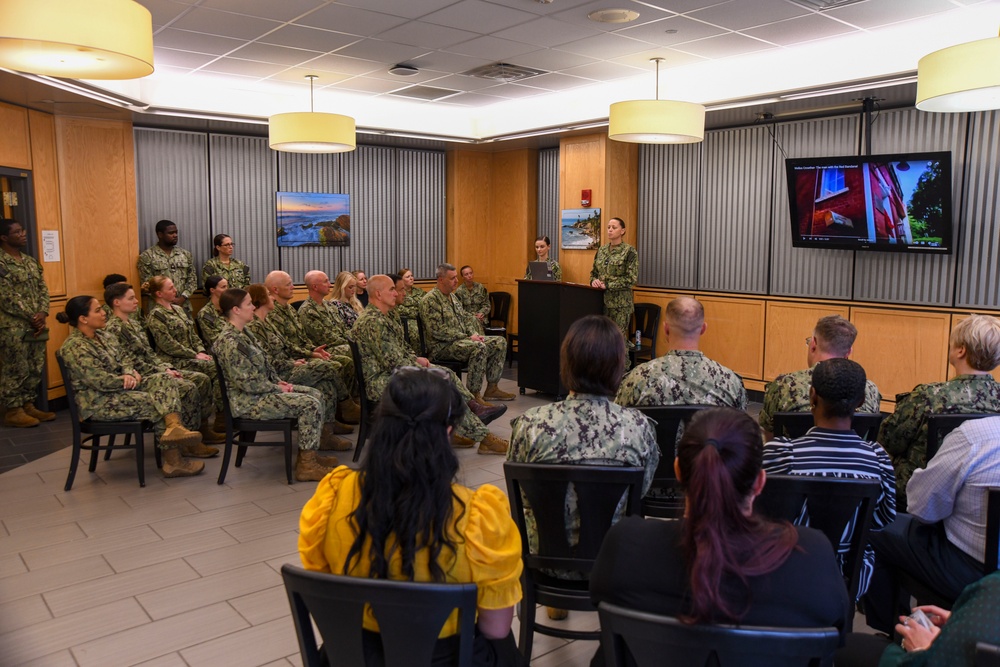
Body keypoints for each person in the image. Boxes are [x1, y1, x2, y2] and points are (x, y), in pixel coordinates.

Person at [298, 369, 526, 666]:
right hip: (446, 658)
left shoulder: (331, 497)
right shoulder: (479, 517)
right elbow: (495, 628)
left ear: (382, 425)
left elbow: (325, 590)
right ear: (447, 432)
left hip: (355, 656)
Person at [590, 407, 851, 664]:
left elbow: (599, 599)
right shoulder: (812, 556)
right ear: (760, 482)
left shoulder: (625, 545)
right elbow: (839, 629)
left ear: (679, 471)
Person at [508, 314, 659, 621]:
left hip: (544, 559)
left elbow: (525, 498)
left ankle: (557, 598)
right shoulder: (638, 427)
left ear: (567, 362)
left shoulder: (530, 425)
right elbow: (640, 493)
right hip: (613, 561)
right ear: (618, 366)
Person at [762, 358, 896, 599]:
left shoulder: (781, 453)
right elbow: (881, 520)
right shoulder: (877, 458)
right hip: (846, 577)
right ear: (861, 403)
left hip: (786, 569)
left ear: (812, 397)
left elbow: (760, 511)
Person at [864, 415, 1000, 635]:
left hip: (970, 571)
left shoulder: (975, 436)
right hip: (984, 571)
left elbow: (922, 509)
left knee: (872, 526)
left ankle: (897, 632)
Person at [352, 275, 509, 455]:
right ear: (378, 294)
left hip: (392, 373)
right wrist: (424, 368)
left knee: (446, 373)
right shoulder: (374, 321)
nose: (396, 293)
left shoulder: (385, 316)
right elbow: (395, 363)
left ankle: (468, 416)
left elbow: (403, 349)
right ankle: (484, 437)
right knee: (440, 383)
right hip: (381, 381)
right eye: (392, 290)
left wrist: (418, 360)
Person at [56, 295, 206, 477]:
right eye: (98, 310)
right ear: (83, 319)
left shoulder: (104, 336)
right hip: (99, 402)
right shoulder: (75, 347)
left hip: (123, 390)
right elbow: (99, 381)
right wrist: (126, 379)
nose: (104, 313)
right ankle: (174, 461)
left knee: (164, 380)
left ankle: (175, 427)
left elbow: (124, 358)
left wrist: (129, 371)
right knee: (159, 403)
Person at [213, 288, 338, 481]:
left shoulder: (244, 332)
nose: (253, 307)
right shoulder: (231, 341)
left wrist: (278, 381)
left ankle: (310, 455)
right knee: (309, 404)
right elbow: (247, 383)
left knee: (316, 394)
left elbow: (263, 364)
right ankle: (306, 466)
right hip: (249, 402)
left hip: (262, 391)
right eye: (248, 304)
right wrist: (276, 388)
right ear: (236, 310)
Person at [878, 314, 1000, 505]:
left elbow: (888, 441)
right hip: (981, 500)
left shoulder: (927, 396)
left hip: (916, 498)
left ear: (960, 350)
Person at [104, 282, 223, 450]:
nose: (137, 301)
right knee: (188, 387)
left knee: (202, 380)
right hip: (140, 376)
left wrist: (166, 368)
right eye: (131, 298)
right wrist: (163, 370)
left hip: (156, 369)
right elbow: (130, 361)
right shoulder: (114, 328)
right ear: (117, 302)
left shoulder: (133, 323)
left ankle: (200, 430)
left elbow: (149, 354)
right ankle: (187, 443)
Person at [245, 283, 358, 448]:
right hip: (279, 375)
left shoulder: (266, 322)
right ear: (261, 300)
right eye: (268, 295)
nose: (272, 298)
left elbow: (288, 346)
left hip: (288, 365)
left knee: (325, 383)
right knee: (327, 367)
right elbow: (266, 361)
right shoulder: (254, 327)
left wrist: (310, 353)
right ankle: (346, 404)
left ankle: (327, 432)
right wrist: (292, 362)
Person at [759, 315, 882, 442]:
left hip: (794, 459)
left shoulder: (782, 385)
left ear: (813, 344)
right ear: (848, 352)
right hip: (855, 460)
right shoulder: (870, 390)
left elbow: (769, 437)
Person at [838, 572, 1000, 667]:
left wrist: (922, 650)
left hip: (930, 659)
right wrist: (961, 621)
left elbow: (926, 517)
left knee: (845, 647)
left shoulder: (991, 586)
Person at [615, 297, 747, 410]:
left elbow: (622, 424)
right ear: (703, 329)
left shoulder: (638, 379)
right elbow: (741, 432)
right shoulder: (730, 383)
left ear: (666, 329)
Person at [420, 263, 514, 403]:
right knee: (479, 347)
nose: (457, 281)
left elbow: (466, 319)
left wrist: (475, 334)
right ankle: (474, 395)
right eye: (452, 278)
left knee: (499, 342)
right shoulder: (430, 300)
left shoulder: (453, 298)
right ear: (441, 279)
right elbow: (437, 331)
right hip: (442, 347)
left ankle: (492, 388)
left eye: (456, 277)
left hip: (460, 341)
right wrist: (468, 337)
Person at [144, 275, 223, 424]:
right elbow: (167, 345)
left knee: (218, 364)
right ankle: (214, 420)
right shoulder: (156, 315)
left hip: (191, 357)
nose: (175, 290)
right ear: (159, 294)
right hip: (174, 360)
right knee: (214, 368)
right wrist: (194, 354)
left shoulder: (178, 310)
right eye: (170, 288)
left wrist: (202, 351)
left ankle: (217, 416)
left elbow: (192, 335)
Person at [263, 270, 355, 395]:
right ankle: (346, 402)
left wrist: (313, 350)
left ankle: (351, 399)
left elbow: (303, 338)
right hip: (292, 359)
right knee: (338, 363)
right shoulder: (272, 314)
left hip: (306, 352)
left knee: (344, 363)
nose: (293, 287)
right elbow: (286, 346)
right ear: (276, 289)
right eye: (288, 284)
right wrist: (311, 353)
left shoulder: (290, 308)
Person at [0, 218, 53, 428]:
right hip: (13, 326)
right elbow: (6, 296)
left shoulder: (30, 261)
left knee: (34, 366)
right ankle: (13, 409)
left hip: (36, 325)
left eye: (22, 230)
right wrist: (32, 316)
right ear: (4, 237)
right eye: (17, 232)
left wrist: (42, 312)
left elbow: (43, 289)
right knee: (15, 367)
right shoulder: (2, 263)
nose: (23, 234)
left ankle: (27, 404)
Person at [589, 217, 638, 352]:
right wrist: (594, 281)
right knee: (600, 340)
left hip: (620, 305)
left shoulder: (629, 252)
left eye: (614, 227)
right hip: (600, 303)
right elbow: (593, 273)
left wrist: (608, 285)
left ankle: (621, 371)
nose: (610, 230)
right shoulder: (602, 251)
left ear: (622, 231)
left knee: (617, 342)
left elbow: (631, 279)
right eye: (608, 227)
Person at [138, 220, 197, 314]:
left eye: (176, 232)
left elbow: (192, 280)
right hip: (159, 309)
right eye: (171, 233)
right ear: (160, 234)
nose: (175, 235)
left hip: (183, 306)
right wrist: (166, 299)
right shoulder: (147, 256)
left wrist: (182, 298)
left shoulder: (185, 254)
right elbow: (147, 284)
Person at [298, 270, 351, 355]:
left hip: (341, 344)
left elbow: (343, 328)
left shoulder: (329, 305)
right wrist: (351, 343)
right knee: (357, 350)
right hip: (324, 350)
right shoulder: (307, 311)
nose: (330, 285)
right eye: (325, 282)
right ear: (315, 287)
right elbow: (326, 339)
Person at [395, 267, 425, 353]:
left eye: (412, 276)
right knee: (415, 332)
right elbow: (399, 309)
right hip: (407, 320)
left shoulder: (419, 291)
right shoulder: (399, 292)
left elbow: (425, 305)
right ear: (401, 279)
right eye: (408, 277)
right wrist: (416, 311)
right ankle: (416, 355)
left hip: (421, 318)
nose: (411, 278)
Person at [456, 265, 490, 335]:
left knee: (477, 321)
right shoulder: (459, 291)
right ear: (462, 277)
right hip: (466, 319)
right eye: (466, 274)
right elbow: (458, 309)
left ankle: (480, 342)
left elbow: (487, 305)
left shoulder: (480, 288)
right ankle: (481, 341)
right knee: (473, 321)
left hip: (481, 319)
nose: (469, 276)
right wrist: (472, 316)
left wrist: (481, 313)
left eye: (471, 273)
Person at [195, 275, 228, 347]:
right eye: (223, 287)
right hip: (220, 349)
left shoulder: (229, 307)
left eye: (227, 286)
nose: (227, 290)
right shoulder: (205, 313)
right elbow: (214, 340)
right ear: (212, 290)